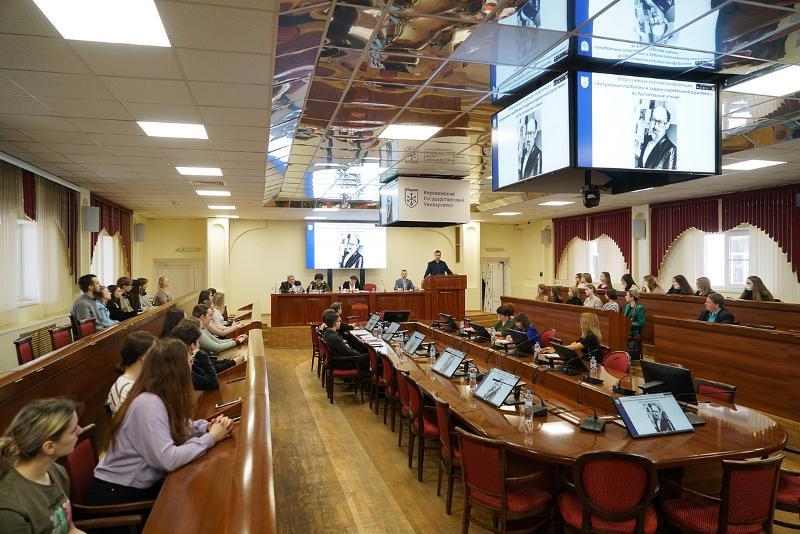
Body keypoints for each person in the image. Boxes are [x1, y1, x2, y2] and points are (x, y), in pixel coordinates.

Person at [87, 338, 234, 506]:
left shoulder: (157, 396)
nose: (191, 364)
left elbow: (177, 427)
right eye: (188, 360)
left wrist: (205, 427)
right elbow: (168, 459)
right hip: (116, 493)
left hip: (134, 486)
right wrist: (211, 438)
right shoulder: (148, 402)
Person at [0, 398, 84, 534]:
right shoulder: (9, 509)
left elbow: (70, 529)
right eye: (73, 430)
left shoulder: (57, 471)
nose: (80, 431)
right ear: (49, 447)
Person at [107, 331, 157, 414]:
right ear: (143, 356)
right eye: (154, 352)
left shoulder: (144, 378)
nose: (157, 356)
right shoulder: (124, 388)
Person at [637, 105, 676, 170]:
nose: (655, 126)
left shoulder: (671, 150)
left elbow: (668, 175)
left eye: (660, 122)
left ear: (667, 125)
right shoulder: (647, 139)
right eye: (653, 120)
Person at [622, 289, 646, 359]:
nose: (625, 296)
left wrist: (630, 323)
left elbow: (641, 322)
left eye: (627, 295)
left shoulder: (639, 308)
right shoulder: (627, 306)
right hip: (626, 329)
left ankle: (626, 355)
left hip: (634, 331)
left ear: (632, 297)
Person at [518, 113, 542, 180]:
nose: (528, 138)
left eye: (531, 133)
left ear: (535, 133)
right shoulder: (524, 153)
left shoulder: (539, 155)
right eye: (527, 133)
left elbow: (539, 179)